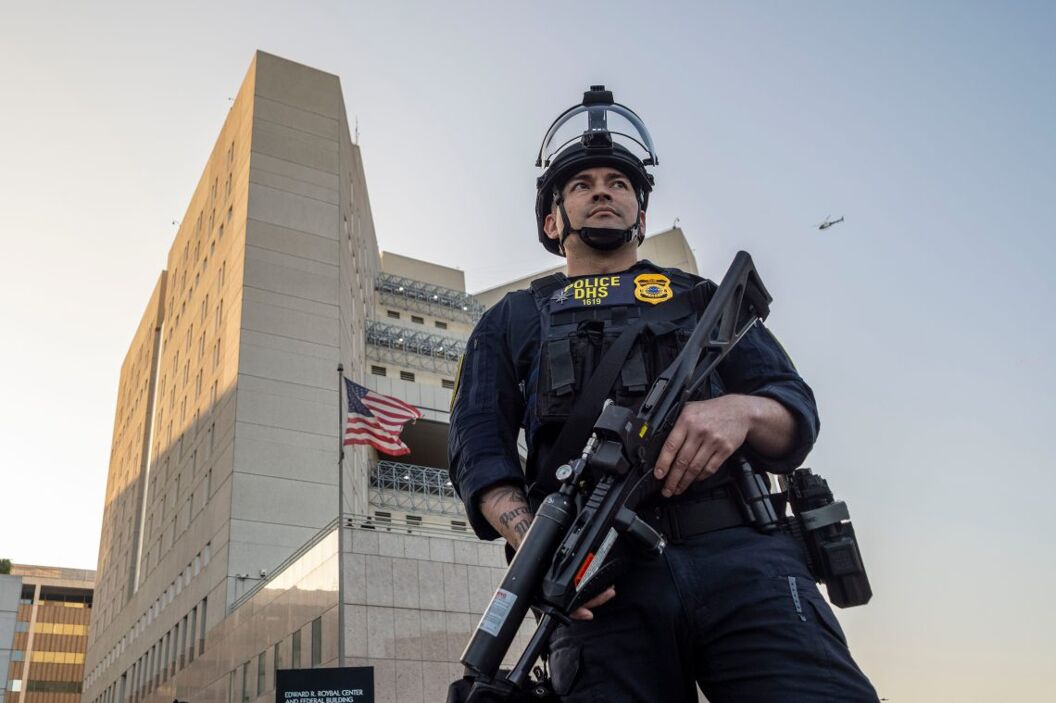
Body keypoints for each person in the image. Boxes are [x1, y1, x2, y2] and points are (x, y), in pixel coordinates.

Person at [449, 86, 878, 702]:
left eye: (619, 183)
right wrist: (532, 541)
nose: (603, 190)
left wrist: (738, 411)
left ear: (641, 217)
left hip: (744, 555)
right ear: (552, 220)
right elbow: (478, 451)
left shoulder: (703, 299)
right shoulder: (512, 319)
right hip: (600, 581)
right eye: (582, 184)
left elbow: (794, 411)